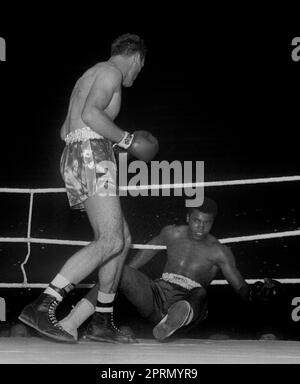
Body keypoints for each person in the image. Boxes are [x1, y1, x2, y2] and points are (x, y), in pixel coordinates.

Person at [19, 33, 158, 344]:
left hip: (78, 153)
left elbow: (65, 130)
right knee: (110, 239)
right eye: (140, 68)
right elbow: (90, 115)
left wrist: (96, 145)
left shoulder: (88, 75)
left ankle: (101, 319)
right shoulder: (111, 72)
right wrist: (126, 141)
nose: (137, 74)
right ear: (136, 59)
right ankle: (43, 305)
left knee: (121, 240)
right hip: (91, 154)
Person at [58, 197, 258, 342]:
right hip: (158, 294)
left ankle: (174, 320)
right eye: (196, 220)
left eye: (207, 223)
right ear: (188, 217)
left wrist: (258, 293)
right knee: (117, 270)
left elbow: (240, 287)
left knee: (200, 292)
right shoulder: (171, 233)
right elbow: (143, 256)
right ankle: (73, 320)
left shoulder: (220, 251)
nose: (200, 227)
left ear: (213, 222)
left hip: (191, 301)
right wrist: (124, 274)